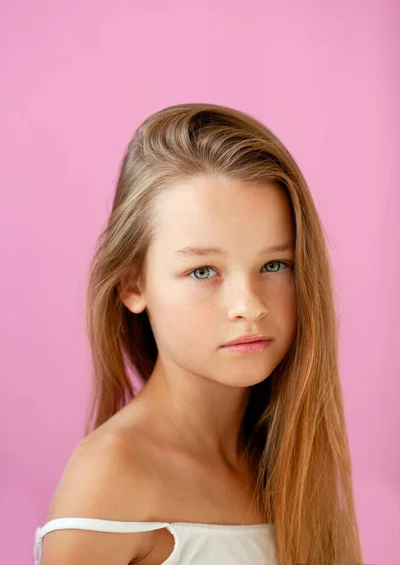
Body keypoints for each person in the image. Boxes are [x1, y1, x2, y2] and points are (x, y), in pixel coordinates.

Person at [33, 103, 364, 565]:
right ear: (133, 284)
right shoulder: (111, 480)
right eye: (203, 270)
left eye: (274, 264)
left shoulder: (290, 463)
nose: (249, 306)